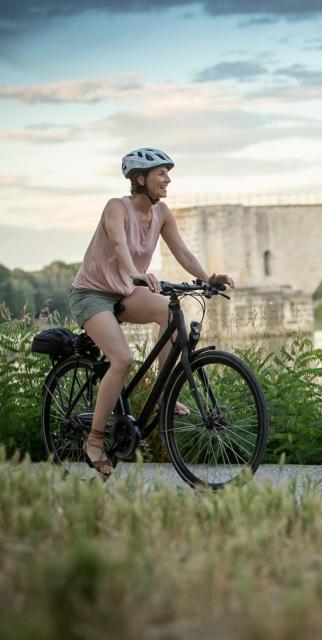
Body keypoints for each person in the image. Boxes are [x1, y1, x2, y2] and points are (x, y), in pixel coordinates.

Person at [69, 147, 234, 477]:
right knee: (122, 359)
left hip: (126, 291)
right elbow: (118, 245)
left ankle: (165, 397)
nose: (168, 179)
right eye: (161, 173)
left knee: (171, 314)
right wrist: (136, 274)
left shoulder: (162, 213)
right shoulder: (117, 208)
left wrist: (207, 279)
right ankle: (95, 440)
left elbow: (183, 251)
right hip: (92, 294)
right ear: (140, 178)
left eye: (168, 173)